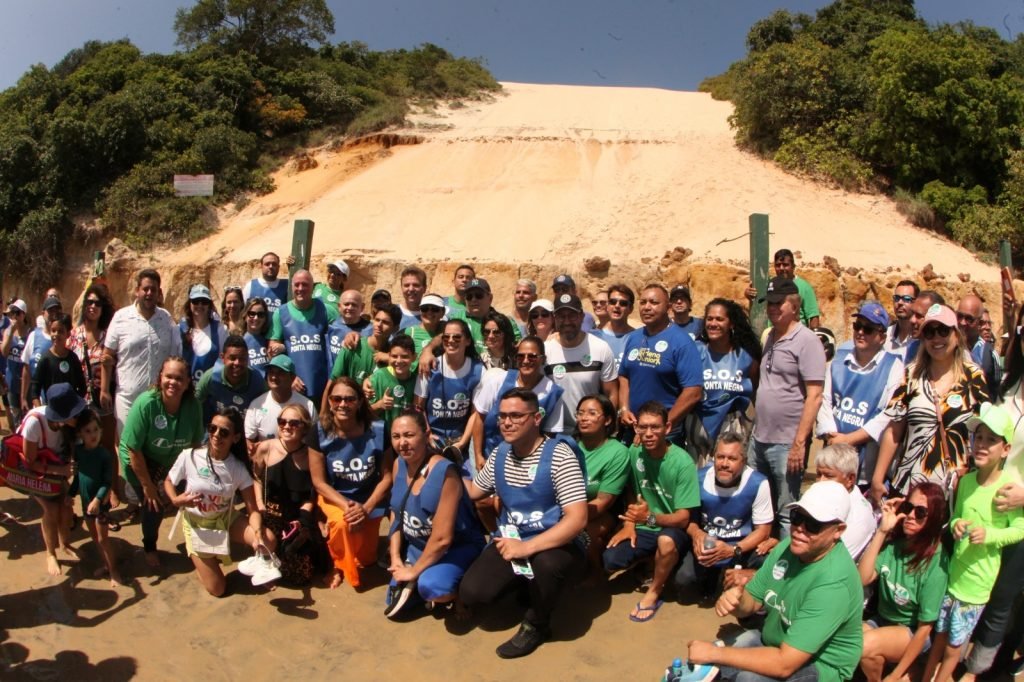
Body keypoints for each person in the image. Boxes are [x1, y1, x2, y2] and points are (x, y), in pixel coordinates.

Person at [686, 480, 864, 682]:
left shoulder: (833, 583)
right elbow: (752, 601)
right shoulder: (788, 547)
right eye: (797, 517)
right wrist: (738, 601)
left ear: (838, 530)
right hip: (778, 644)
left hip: (819, 667)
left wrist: (714, 653)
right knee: (704, 670)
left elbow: (784, 664)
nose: (799, 529)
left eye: (813, 525)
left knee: (746, 678)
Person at [460, 388, 588, 658]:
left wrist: (526, 549)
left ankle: (537, 624)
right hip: (512, 538)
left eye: (517, 416)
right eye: (503, 415)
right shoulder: (500, 453)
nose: (507, 422)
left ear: (536, 418)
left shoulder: (559, 456)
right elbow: (474, 492)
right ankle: (528, 587)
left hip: (557, 542)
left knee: (548, 566)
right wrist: (442, 467)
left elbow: (577, 519)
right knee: (474, 592)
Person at [921, 402, 1024, 682]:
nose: (981, 445)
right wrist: (956, 526)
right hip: (953, 578)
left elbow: (1019, 529)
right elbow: (956, 517)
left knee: (955, 647)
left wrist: (990, 536)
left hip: (977, 586)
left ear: (1005, 450)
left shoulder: (1007, 489)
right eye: (978, 437)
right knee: (939, 638)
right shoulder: (966, 482)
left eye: (991, 440)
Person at [871, 304, 989, 506]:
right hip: (910, 485)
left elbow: (985, 430)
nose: (936, 338)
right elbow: (894, 430)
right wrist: (877, 478)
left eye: (943, 330)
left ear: (956, 334)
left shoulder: (973, 376)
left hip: (955, 488)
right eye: (929, 332)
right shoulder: (911, 375)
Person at [965, 313, 1024, 677]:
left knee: (1003, 597)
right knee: (983, 593)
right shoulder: (1006, 389)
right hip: (986, 505)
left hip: (1019, 516)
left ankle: (981, 670)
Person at [603, 401, 700, 621]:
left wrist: (649, 517)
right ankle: (652, 561)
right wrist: (629, 524)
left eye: (655, 427)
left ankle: (654, 591)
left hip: (672, 527)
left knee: (666, 543)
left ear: (667, 428)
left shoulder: (682, 463)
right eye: (643, 427)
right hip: (644, 524)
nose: (648, 433)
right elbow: (630, 489)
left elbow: (684, 517)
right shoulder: (634, 451)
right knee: (611, 559)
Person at [165, 407, 278, 595]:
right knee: (217, 589)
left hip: (226, 519)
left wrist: (257, 534)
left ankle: (261, 569)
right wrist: (176, 500)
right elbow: (169, 481)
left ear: (235, 438)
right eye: (212, 428)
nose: (216, 435)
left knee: (268, 540)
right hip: (196, 525)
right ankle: (201, 564)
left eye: (224, 432)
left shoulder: (238, 468)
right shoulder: (190, 456)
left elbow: (253, 509)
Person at [384, 410, 486, 617]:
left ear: (426, 432)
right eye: (396, 436)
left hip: (455, 547)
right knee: (392, 600)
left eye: (409, 435)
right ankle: (421, 576)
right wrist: (395, 557)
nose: (402, 443)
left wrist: (412, 571)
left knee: (433, 588)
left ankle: (461, 588)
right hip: (418, 547)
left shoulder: (445, 473)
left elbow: (442, 539)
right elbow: (397, 513)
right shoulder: (398, 464)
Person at [749, 276, 825, 533]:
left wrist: (799, 443)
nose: (772, 308)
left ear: (794, 305)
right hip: (759, 438)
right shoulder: (770, 336)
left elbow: (814, 395)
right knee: (758, 506)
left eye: (778, 303)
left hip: (786, 442)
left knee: (786, 511)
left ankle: (785, 569)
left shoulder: (807, 341)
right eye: (769, 303)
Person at [857, 482, 948, 682]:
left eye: (921, 512)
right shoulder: (895, 547)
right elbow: (862, 579)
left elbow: (925, 628)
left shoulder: (936, 564)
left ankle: (905, 671)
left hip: (911, 630)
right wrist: (882, 531)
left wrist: (894, 676)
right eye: (908, 508)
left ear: (933, 519)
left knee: (864, 646)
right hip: (883, 621)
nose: (910, 516)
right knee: (848, 640)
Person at [119, 356, 204, 569]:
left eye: (179, 378)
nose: (173, 382)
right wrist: (149, 487)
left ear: (187, 383)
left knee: (192, 494)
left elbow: (194, 446)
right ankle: (149, 546)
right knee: (153, 507)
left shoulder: (193, 406)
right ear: (160, 378)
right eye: (168, 377)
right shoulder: (146, 403)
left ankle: (201, 543)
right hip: (140, 459)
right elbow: (133, 449)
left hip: (172, 459)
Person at [310, 377, 393, 590]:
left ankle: (345, 551)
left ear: (359, 402)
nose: (343, 404)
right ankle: (335, 566)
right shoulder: (318, 432)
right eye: (337, 399)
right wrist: (347, 507)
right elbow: (319, 482)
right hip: (336, 496)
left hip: (368, 498)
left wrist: (365, 508)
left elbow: (387, 477)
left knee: (366, 559)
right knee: (341, 522)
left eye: (349, 399)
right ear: (329, 401)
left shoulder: (379, 429)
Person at [675, 433, 773, 600]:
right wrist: (698, 534)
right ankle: (711, 575)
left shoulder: (758, 483)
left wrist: (733, 550)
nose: (724, 464)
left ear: (743, 461)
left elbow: (763, 530)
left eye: (732, 459)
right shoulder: (698, 479)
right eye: (720, 457)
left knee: (767, 564)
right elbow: (688, 521)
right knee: (683, 580)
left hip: (742, 546)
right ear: (713, 457)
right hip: (709, 543)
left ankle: (737, 575)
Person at [816, 302, 904, 486]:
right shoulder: (838, 361)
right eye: (858, 326)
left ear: (882, 337)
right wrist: (834, 438)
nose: (861, 332)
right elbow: (825, 402)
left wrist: (848, 440)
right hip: (833, 464)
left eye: (868, 329)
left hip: (867, 470)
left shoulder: (894, 367)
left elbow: (888, 415)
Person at [250, 403, 327, 586]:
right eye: (282, 421)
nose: (286, 426)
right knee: (267, 565)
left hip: (295, 519)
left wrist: (304, 518)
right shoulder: (265, 448)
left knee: (299, 576)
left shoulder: (311, 455)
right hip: (270, 516)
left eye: (294, 423)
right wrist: (260, 503)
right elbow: (255, 477)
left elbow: (313, 491)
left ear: (304, 427)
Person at [619, 284, 703, 448]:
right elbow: (624, 375)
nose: (647, 307)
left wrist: (661, 427)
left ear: (668, 307)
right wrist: (623, 408)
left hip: (666, 435)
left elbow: (693, 392)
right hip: (634, 429)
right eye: (643, 302)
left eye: (654, 302)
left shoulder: (682, 342)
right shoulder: (633, 338)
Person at [102, 268, 182, 435]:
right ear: (137, 290)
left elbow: (175, 357)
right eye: (145, 289)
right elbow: (107, 355)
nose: (149, 293)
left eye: (153, 289)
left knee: (154, 451)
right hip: (127, 399)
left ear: (159, 292)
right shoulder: (121, 317)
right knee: (127, 449)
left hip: (158, 399)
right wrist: (104, 390)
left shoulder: (166, 319)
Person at [19, 383, 86, 576]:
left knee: (66, 508)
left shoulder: (70, 426)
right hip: (34, 468)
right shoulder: (34, 423)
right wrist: (61, 470)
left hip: (56, 464)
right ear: (63, 416)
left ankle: (65, 544)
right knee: (51, 510)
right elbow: (30, 462)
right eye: (74, 413)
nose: (78, 415)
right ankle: (50, 553)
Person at [473, 336, 563, 469]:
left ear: (542, 359)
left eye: (532, 356)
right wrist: (478, 455)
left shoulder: (553, 393)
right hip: (489, 456)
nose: (526, 361)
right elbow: (479, 419)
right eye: (521, 356)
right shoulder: (498, 381)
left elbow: (550, 435)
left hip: (528, 463)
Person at [688, 298, 760, 463]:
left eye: (719, 319)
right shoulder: (695, 350)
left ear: (731, 324)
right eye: (710, 318)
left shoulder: (746, 356)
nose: (713, 323)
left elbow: (754, 389)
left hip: (732, 423)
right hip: (698, 422)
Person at [414, 319, 484, 475]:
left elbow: (476, 413)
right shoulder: (430, 366)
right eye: (446, 337)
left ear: (467, 341)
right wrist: (427, 434)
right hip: (431, 440)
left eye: (457, 337)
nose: (451, 341)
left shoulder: (478, 370)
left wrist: (461, 444)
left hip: (462, 442)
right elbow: (418, 406)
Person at [545, 293, 618, 435]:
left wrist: (607, 428)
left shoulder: (600, 348)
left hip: (590, 434)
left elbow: (611, 393)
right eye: (561, 316)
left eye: (571, 315)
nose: (567, 321)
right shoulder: (545, 351)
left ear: (581, 316)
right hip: (554, 433)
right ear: (555, 319)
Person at [574, 394, 629, 574]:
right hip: (567, 508)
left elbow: (604, 502)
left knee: (584, 534)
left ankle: (596, 573)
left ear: (607, 420)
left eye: (591, 413)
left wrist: (569, 519)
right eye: (580, 413)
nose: (584, 418)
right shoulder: (568, 446)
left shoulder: (617, 452)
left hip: (602, 511)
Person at [268, 269, 338, 405]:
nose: (300, 288)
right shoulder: (280, 313)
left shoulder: (326, 310)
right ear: (292, 286)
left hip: (323, 386)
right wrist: (290, 377)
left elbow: (341, 334)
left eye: (305, 284)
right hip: (293, 387)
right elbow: (272, 350)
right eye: (297, 284)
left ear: (313, 287)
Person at [74, 409, 122, 586]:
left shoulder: (104, 455)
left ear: (101, 431)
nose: (92, 435)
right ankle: (106, 565)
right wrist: (70, 495)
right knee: (95, 538)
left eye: (95, 430)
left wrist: (98, 499)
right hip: (86, 505)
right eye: (87, 431)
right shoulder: (79, 452)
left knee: (103, 539)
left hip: (100, 505)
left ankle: (114, 571)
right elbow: (77, 477)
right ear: (80, 434)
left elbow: (107, 481)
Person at [69, 283, 117, 455]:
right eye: (89, 302)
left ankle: (111, 482)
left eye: (98, 303)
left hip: (101, 398)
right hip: (79, 400)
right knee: (80, 446)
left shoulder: (109, 336)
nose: (93, 306)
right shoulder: (74, 335)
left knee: (107, 446)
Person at [813, 444, 877, 560]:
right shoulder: (824, 496)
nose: (820, 481)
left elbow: (835, 561)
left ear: (850, 479)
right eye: (818, 474)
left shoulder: (858, 517)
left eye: (828, 476)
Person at [244, 354, 316, 449]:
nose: (274, 377)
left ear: (292, 377)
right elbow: (250, 440)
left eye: (280, 373)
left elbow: (315, 440)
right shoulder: (257, 404)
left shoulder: (307, 405)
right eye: (271, 372)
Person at [195, 335, 267, 426]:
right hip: (216, 430)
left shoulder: (257, 381)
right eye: (232, 358)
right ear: (223, 358)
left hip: (245, 432)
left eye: (242, 359)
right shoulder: (211, 377)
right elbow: (194, 404)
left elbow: (267, 408)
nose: (237, 363)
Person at [329, 303, 399, 389]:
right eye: (377, 320)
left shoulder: (396, 357)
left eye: (385, 322)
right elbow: (332, 383)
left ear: (396, 328)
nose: (379, 325)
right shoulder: (353, 345)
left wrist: (391, 359)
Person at [366, 334, 417, 441]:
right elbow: (364, 413)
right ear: (389, 356)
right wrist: (379, 405)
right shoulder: (378, 377)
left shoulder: (417, 380)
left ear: (414, 357)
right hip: (380, 439)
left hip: (406, 440)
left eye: (405, 356)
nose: (398, 361)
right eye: (394, 356)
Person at [30, 314, 87, 405]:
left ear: (68, 334)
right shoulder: (45, 360)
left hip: (71, 412)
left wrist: (74, 404)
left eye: (60, 331)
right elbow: (35, 388)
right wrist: (40, 409)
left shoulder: (73, 359)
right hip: (51, 411)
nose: (56, 334)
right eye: (53, 331)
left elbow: (82, 387)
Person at [20, 294, 63, 413]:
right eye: (50, 310)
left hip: (60, 403)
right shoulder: (34, 336)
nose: (54, 314)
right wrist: (23, 397)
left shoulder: (66, 338)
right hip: (38, 402)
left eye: (57, 310)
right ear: (43, 313)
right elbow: (27, 368)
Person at [178, 284, 225, 384]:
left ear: (209, 304)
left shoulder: (220, 330)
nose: (200, 305)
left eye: (204, 302)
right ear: (189, 303)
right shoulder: (180, 329)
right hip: (186, 391)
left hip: (210, 390)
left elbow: (224, 360)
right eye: (195, 301)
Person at [958, 294, 1001, 397]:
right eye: (959, 316)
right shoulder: (945, 347)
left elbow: (995, 391)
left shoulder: (988, 354)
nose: (963, 322)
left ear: (979, 323)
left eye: (969, 319)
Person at [325, 289, 372, 371]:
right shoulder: (332, 327)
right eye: (346, 304)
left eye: (354, 305)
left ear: (362, 307)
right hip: (333, 378)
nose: (350, 308)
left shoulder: (370, 330)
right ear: (339, 306)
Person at [593, 283, 636, 371]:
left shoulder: (637, 338)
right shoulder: (593, 336)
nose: (617, 306)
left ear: (630, 309)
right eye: (613, 302)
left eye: (623, 303)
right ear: (608, 306)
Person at [1, 299, 29, 428]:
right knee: (14, 416)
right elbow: (4, 352)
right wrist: (11, 332)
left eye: (17, 313)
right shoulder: (8, 331)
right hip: (11, 383)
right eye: (12, 313)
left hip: (25, 383)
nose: (14, 316)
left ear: (24, 314)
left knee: (26, 417)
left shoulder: (31, 333)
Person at [885, 280, 919, 358]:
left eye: (906, 299)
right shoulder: (885, 336)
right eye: (896, 298)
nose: (900, 302)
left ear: (917, 303)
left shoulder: (922, 339)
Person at [241, 297, 272, 379]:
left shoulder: (270, 340)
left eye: (260, 315)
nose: (256, 318)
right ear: (245, 315)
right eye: (252, 314)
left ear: (265, 318)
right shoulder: (240, 342)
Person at [398, 265, 427, 330]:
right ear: (401, 288)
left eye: (416, 285)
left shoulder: (431, 317)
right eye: (406, 285)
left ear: (424, 288)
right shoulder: (391, 314)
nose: (411, 289)